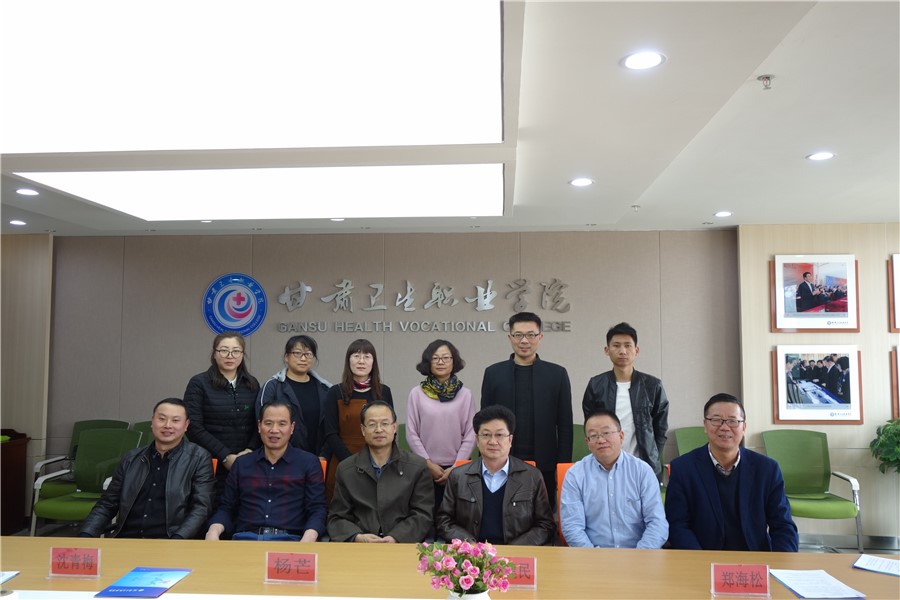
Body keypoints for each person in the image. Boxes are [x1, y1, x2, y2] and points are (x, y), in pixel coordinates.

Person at [665, 393, 798, 552]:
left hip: (754, 558)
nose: (724, 427)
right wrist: (699, 560)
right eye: (716, 420)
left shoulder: (767, 469)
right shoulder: (683, 468)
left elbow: (783, 526)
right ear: (705, 425)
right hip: (703, 556)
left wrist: (780, 562)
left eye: (733, 421)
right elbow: (677, 525)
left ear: (744, 427)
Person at [80, 399, 214, 539]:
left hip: (171, 540)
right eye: (162, 419)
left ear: (186, 425)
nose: (167, 425)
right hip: (127, 539)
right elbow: (107, 504)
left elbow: (201, 508)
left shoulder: (198, 458)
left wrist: (178, 539)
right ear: (152, 421)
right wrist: (86, 535)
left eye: (175, 420)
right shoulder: (131, 458)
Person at [481, 312, 572, 507]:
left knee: (543, 516)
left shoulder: (557, 374)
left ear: (540, 337)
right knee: (501, 513)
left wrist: (562, 466)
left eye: (531, 335)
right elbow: (484, 424)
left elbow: (565, 425)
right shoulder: (493, 373)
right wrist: (485, 461)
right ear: (510, 337)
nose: (524, 340)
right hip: (502, 463)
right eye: (518, 335)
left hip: (545, 465)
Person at [205, 400, 326, 542]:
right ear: (259, 426)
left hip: (290, 541)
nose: (274, 430)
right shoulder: (242, 464)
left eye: (282, 424)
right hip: (245, 540)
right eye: (268, 423)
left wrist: (308, 539)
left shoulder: (308, 463)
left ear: (292, 427)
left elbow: (317, 509)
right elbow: (226, 507)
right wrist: (213, 531)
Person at [436, 405, 555, 546]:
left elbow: (545, 525)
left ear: (510, 440)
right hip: (471, 554)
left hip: (516, 554)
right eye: (486, 435)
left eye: (499, 435)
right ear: (477, 440)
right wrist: (470, 545)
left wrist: (515, 549)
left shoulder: (532, 476)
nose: (493, 441)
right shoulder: (458, 476)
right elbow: (444, 520)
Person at [327, 401, 433, 543]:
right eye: (372, 424)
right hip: (361, 546)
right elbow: (337, 517)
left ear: (394, 427)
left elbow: (423, 514)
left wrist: (396, 537)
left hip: (403, 544)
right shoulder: (346, 469)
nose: (379, 430)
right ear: (363, 430)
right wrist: (358, 537)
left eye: (385, 423)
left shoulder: (417, 466)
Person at [560, 409, 667, 548]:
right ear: (587, 442)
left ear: (621, 436)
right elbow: (572, 526)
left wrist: (640, 555)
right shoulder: (575, 475)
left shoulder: (642, 471)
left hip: (639, 553)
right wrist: (592, 556)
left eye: (606, 433)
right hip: (592, 555)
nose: (601, 440)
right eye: (593, 436)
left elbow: (657, 523)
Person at [582, 322, 669, 482]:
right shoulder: (596, 385)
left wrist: (652, 455)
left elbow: (660, 428)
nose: (622, 351)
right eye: (616, 345)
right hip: (605, 465)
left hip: (643, 465)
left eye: (628, 345)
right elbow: (591, 426)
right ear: (607, 350)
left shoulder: (652, 385)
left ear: (636, 350)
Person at [183, 331, 260, 503]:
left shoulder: (252, 384)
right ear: (215, 353)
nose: (230, 356)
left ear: (242, 354)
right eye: (224, 350)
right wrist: (225, 456)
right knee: (212, 509)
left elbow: (260, 423)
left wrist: (249, 451)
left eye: (236, 351)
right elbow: (193, 426)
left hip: (246, 462)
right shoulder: (199, 383)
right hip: (210, 463)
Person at [406, 339, 477, 511]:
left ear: (454, 361)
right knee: (425, 515)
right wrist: (427, 463)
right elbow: (411, 432)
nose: (440, 362)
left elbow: (471, 433)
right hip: (424, 468)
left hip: (458, 469)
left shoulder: (465, 394)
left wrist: (456, 467)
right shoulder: (417, 393)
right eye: (435, 358)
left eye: (446, 357)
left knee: (457, 516)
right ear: (428, 362)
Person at [322, 338, 394, 501]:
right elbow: (331, 433)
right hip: (342, 461)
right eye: (356, 356)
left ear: (373, 362)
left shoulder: (384, 391)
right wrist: (352, 463)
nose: (361, 361)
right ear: (348, 361)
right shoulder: (335, 392)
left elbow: (390, 429)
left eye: (367, 356)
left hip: (378, 462)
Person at [256, 335, 331, 455]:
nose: (303, 358)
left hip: (318, 458)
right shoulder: (272, 387)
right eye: (297, 353)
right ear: (286, 357)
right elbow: (262, 422)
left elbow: (330, 427)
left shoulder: (325, 388)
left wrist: (324, 455)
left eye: (308, 354)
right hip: (283, 458)